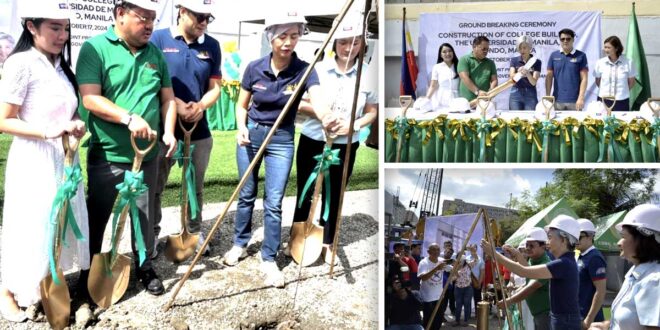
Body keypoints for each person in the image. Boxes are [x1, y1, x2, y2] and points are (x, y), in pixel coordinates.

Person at [222, 10, 338, 288]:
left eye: (294, 36)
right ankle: (240, 243)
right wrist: (241, 127)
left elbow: (318, 99)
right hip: (252, 135)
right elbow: (241, 106)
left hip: (282, 140)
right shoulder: (254, 67)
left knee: (273, 202)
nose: (288, 42)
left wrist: (326, 115)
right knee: (246, 193)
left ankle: (269, 257)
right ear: (271, 37)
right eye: (283, 36)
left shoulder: (304, 70)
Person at [76, 0, 177, 297]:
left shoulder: (154, 54)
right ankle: (89, 270)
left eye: (152, 19)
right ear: (120, 14)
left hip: (147, 156)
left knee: (144, 219)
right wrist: (128, 118)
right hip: (107, 156)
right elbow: (90, 99)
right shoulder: (95, 48)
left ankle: (144, 267)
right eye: (142, 17)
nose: (148, 25)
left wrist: (169, 131)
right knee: (98, 216)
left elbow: (168, 98)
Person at [0, 1, 89, 322]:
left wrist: (76, 122)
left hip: (64, 160)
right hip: (33, 160)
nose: (62, 35)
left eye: (65, 28)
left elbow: (70, 112)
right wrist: (50, 131)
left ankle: (46, 283)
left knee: (56, 225)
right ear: (31, 27)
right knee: (27, 226)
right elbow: (4, 120)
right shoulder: (21, 63)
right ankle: (8, 292)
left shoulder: (62, 67)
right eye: (54, 27)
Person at [289, 13, 377, 265]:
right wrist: (323, 115)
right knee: (306, 190)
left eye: (355, 42)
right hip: (313, 140)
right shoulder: (317, 69)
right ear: (334, 43)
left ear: (363, 44)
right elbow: (298, 103)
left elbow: (371, 111)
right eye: (343, 42)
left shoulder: (368, 74)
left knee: (335, 193)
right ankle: (297, 238)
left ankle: (328, 242)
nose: (349, 48)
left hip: (346, 145)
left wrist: (353, 125)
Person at [150, 0, 221, 257]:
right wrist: (176, 104)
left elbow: (216, 87)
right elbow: (152, 80)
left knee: (195, 185)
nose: (203, 22)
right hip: (164, 129)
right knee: (155, 187)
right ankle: (151, 236)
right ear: (182, 11)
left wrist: (201, 105)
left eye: (208, 18)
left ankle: (192, 231)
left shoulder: (211, 46)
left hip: (198, 130)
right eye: (199, 16)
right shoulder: (157, 39)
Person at [482, 215, 582, 330]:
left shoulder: (563, 263)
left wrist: (494, 254)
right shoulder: (564, 262)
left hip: (564, 322)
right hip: (562, 319)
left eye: (550, 237)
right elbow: (527, 272)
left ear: (563, 240)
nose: (547, 242)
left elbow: (523, 271)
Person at [588, 204, 660, 330]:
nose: (618, 243)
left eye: (623, 237)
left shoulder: (655, 281)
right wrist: (607, 326)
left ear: (644, 239)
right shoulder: (635, 272)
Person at [499, 228, 551, 330]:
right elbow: (526, 270)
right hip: (536, 313)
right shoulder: (533, 260)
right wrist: (516, 254)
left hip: (544, 315)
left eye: (531, 245)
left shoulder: (545, 264)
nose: (527, 248)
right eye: (527, 245)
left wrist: (508, 301)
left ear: (543, 246)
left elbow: (530, 288)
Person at [545, 28, 588, 110]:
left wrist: (581, 97)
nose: (565, 41)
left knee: (575, 123)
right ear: (560, 40)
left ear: (573, 39)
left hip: (575, 101)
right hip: (557, 100)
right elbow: (549, 77)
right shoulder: (553, 55)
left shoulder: (581, 55)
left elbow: (584, 79)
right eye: (562, 39)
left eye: (568, 39)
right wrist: (548, 96)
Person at [575, 219, 607, 329]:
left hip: (591, 320)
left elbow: (601, 290)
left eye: (579, 236)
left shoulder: (594, 257)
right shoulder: (582, 255)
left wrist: (588, 319)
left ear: (590, 236)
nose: (576, 240)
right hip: (580, 315)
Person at [593, 36, 637, 111]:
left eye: (608, 47)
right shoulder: (600, 63)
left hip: (622, 101)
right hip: (603, 100)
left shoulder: (628, 62)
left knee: (621, 121)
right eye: (605, 47)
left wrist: (622, 91)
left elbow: (632, 82)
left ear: (616, 48)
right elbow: (598, 82)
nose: (606, 50)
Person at [417, 243, 449, 330]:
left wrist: (457, 265)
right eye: (434, 249)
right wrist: (436, 268)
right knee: (428, 322)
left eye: (438, 249)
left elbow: (450, 268)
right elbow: (423, 278)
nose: (436, 251)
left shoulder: (441, 260)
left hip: (439, 297)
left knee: (438, 321)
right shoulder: (423, 262)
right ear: (428, 251)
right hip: (428, 298)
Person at [458, 36, 498, 103]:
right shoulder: (464, 60)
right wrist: (477, 92)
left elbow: (494, 80)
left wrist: (491, 91)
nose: (486, 51)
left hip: (484, 101)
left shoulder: (490, 63)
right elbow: (464, 77)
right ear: (474, 47)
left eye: (487, 49)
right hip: (467, 102)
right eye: (483, 49)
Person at [509, 35, 541, 110]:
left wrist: (527, 73)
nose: (522, 50)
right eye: (520, 48)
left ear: (530, 48)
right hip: (515, 92)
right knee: (514, 118)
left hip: (530, 93)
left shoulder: (536, 62)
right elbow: (511, 77)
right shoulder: (514, 60)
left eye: (524, 48)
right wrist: (519, 73)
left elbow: (533, 82)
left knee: (530, 119)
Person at [425, 43, 459, 110]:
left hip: (457, 99)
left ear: (453, 52)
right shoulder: (437, 67)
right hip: (442, 99)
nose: (447, 54)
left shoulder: (459, 65)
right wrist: (426, 99)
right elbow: (433, 86)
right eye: (444, 52)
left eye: (450, 51)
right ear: (440, 55)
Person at [451, 252, 477, 327]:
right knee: (458, 305)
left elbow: (476, 259)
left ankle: (466, 320)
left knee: (467, 304)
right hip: (458, 288)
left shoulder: (469, 265)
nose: (460, 258)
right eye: (458, 257)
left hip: (468, 288)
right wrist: (457, 268)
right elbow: (452, 278)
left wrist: (473, 251)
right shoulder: (454, 266)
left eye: (462, 256)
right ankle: (457, 320)